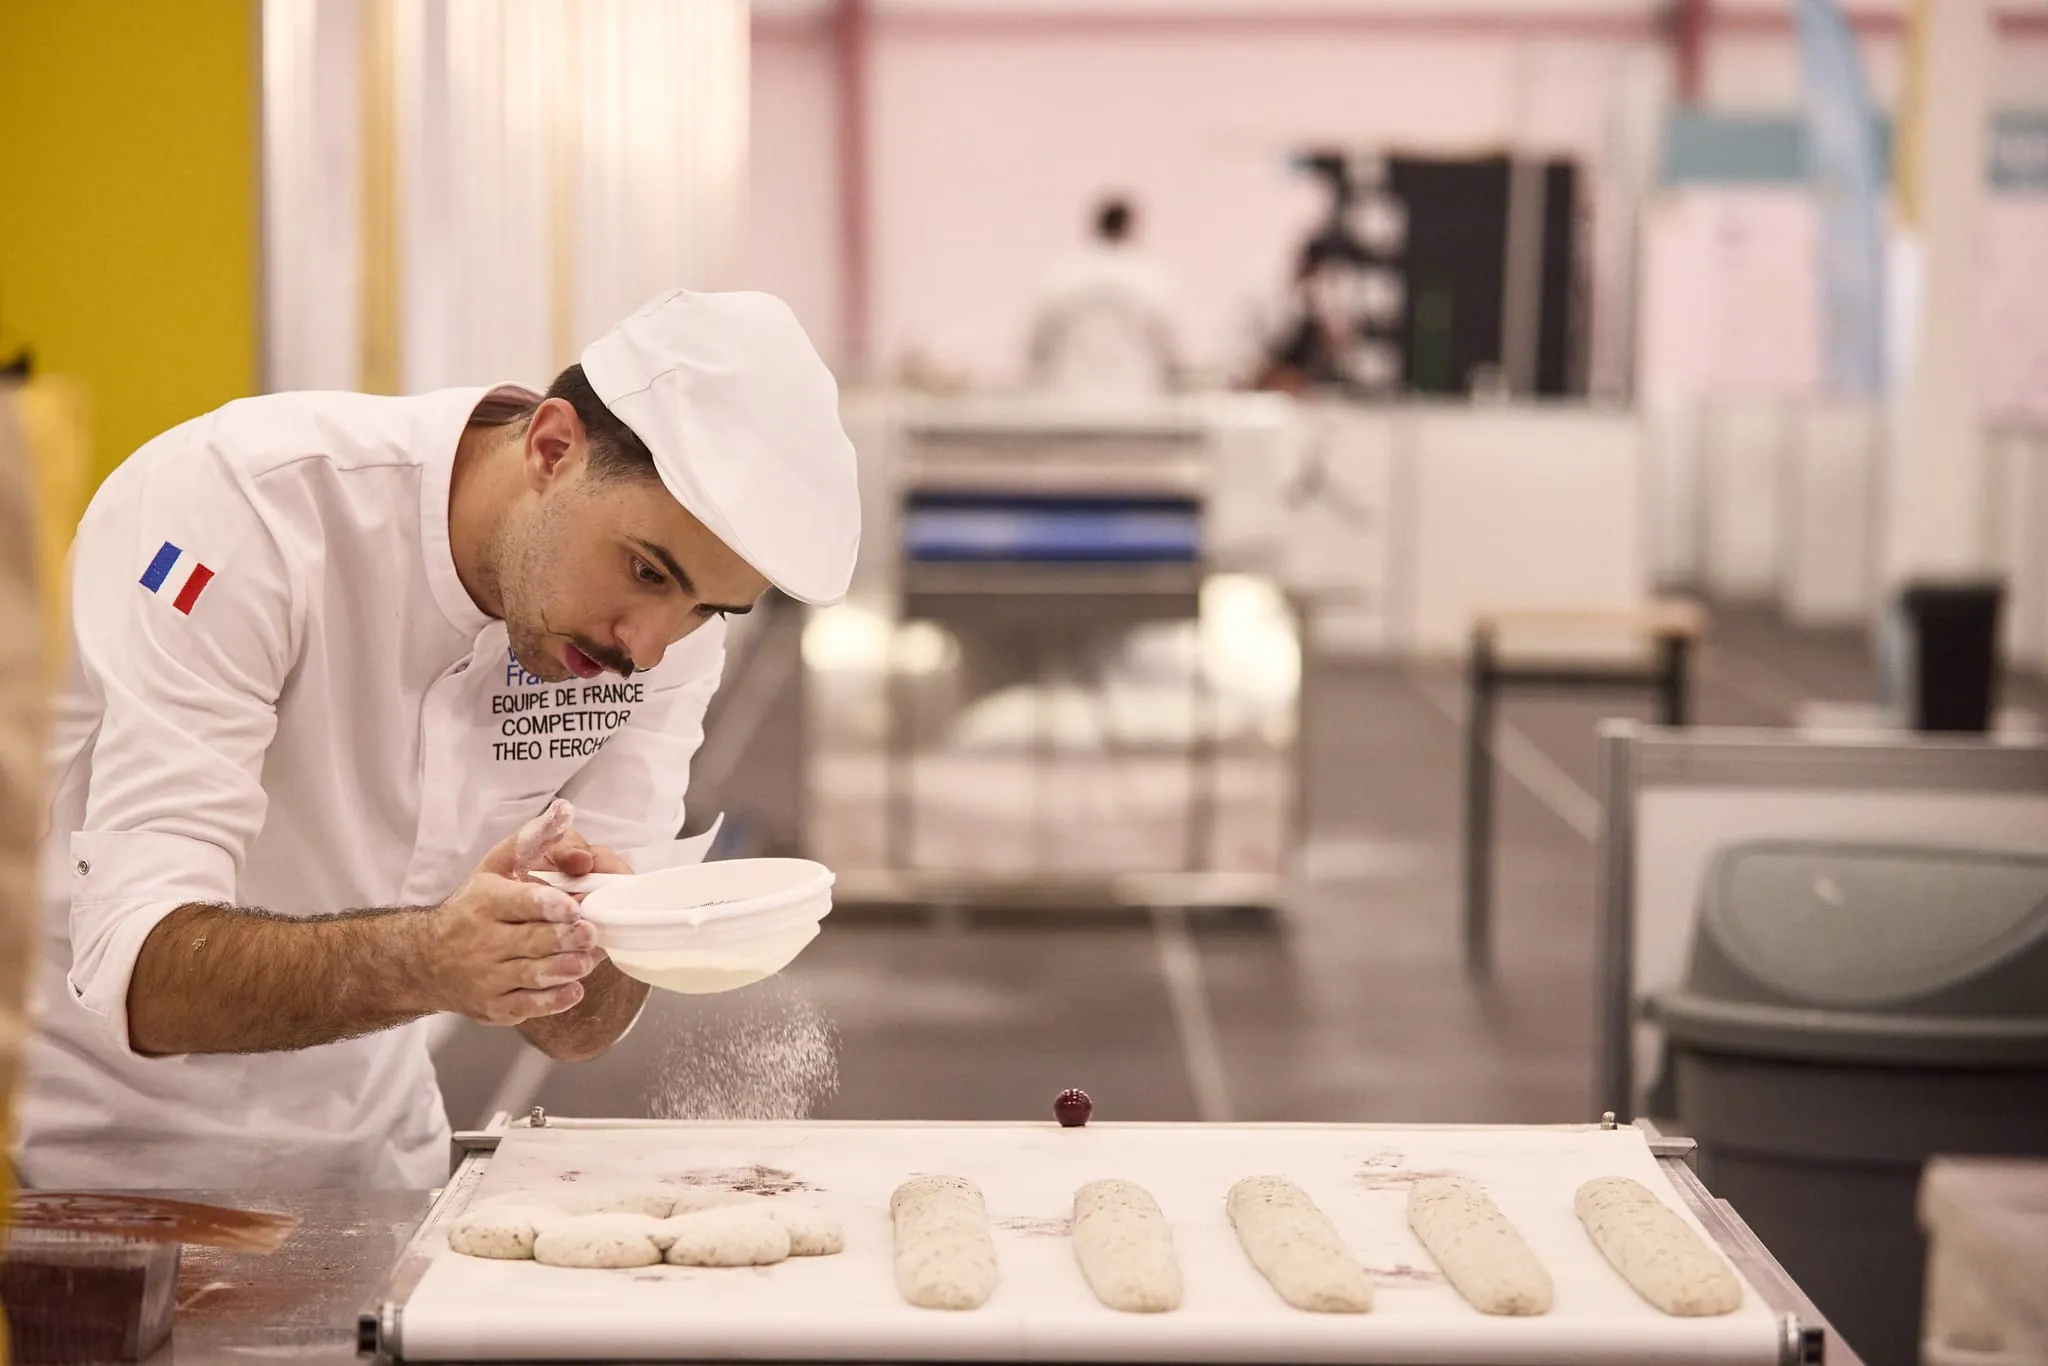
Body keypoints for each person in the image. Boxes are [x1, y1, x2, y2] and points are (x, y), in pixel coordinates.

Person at [11, 289, 860, 1189]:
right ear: (552, 447)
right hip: (104, 1173)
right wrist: (429, 959)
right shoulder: (240, 512)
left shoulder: (657, 635)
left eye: (704, 609)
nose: (645, 646)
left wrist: (600, 936)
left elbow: (574, 1031)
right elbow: (142, 977)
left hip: (382, 1165)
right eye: (646, 571)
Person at [1024, 195, 1182, 400]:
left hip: (1069, 393)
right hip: (1134, 394)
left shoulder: (1064, 274)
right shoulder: (1151, 277)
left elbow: (1038, 338)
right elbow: (1168, 342)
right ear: (1130, 228)